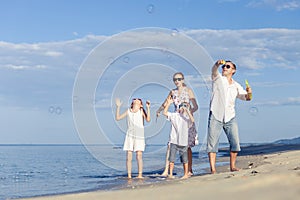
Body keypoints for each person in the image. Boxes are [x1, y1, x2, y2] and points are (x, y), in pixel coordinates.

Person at [207, 60, 252, 174]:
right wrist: (217, 64)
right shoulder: (218, 79)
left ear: (233, 70)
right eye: (224, 66)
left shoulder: (236, 85)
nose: (224, 68)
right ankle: (213, 169)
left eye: (227, 66)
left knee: (235, 143)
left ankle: (232, 166)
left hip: (230, 117)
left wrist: (249, 93)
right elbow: (213, 71)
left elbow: (247, 98)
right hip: (216, 114)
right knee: (212, 143)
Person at [156, 72, 198, 177]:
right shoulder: (172, 92)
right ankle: (166, 170)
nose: (177, 81)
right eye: (175, 79)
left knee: (187, 146)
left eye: (179, 79)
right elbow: (166, 103)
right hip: (176, 119)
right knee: (171, 144)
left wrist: (188, 111)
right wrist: (159, 110)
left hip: (186, 119)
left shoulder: (188, 91)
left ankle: (189, 170)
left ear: (183, 80)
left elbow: (196, 106)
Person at [115, 98, 151, 179]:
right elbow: (118, 118)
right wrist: (118, 107)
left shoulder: (141, 111)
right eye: (134, 100)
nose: (136, 101)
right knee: (129, 156)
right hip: (130, 134)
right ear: (132, 103)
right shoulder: (129, 111)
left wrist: (148, 108)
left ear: (140, 105)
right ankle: (129, 175)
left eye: (138, 101)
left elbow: (148, 120)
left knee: (139, 155)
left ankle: (140, 175)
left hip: (139, 135)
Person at [163, 96, 194, 179]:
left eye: (184, 107)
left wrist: (188, 111)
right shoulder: (175, 115)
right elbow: (165, 113)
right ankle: (170, 174)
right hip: (174, 140)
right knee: (171, 159)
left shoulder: (187, 118)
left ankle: (185, 174)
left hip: (183, 142)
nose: (182, 109)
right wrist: (168, 104)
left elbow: (192, 121)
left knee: (185, 159)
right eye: (181, 107)